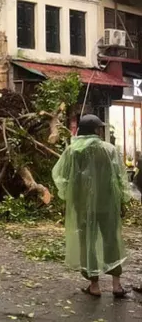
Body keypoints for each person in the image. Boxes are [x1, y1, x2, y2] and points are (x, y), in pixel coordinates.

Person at [53, 114, 129, 298]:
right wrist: (123, 200)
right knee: (111, 240)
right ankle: (116, 285)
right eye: (100, 128)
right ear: (95, 130)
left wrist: (68, 196)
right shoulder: (109, 150)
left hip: (82, 206)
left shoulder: (72, 151)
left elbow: (60, 176)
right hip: (107, 204)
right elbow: (120, 178)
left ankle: (94, 286)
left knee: (87, 243)